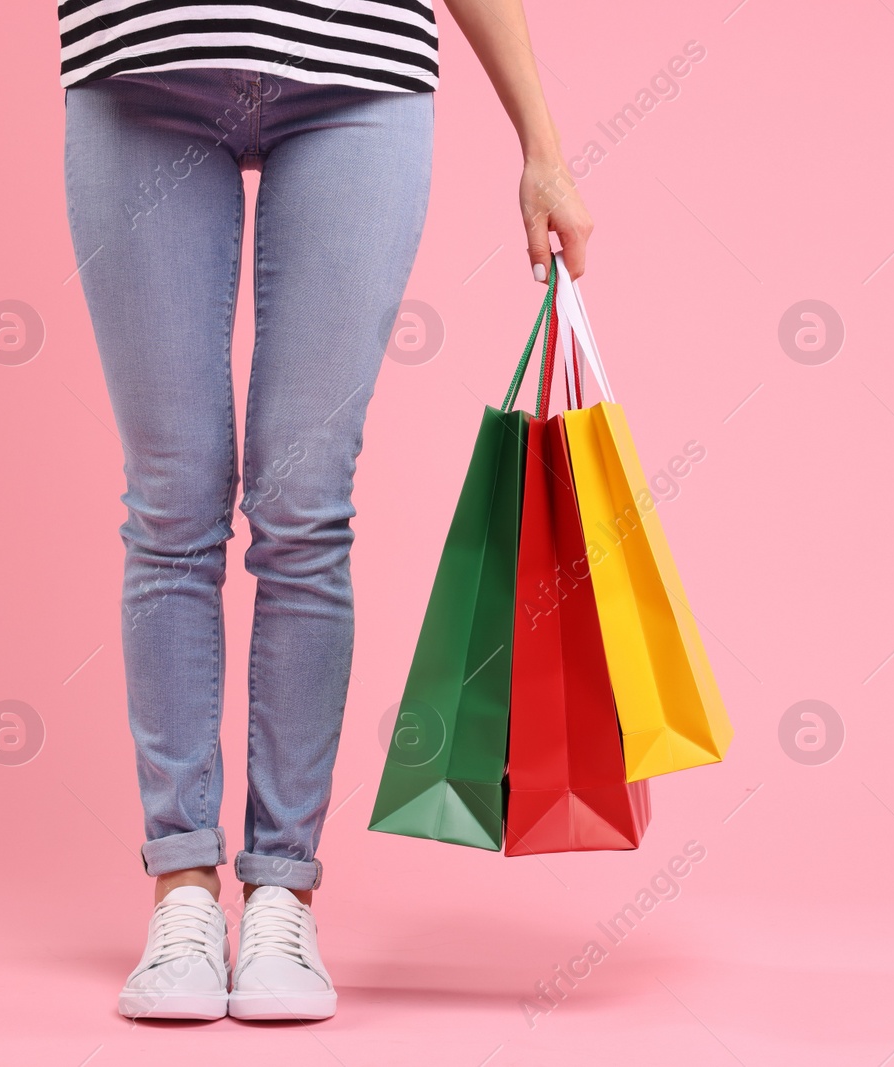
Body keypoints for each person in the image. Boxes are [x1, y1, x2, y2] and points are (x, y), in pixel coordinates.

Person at [59, 0, 592, 1021]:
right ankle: (180, 887)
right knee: (171, 503)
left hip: (356, 73)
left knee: (304, 508)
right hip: (140, 64)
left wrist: (542, 142)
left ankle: (280, 890)